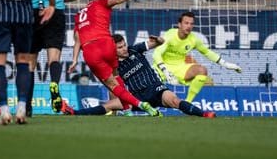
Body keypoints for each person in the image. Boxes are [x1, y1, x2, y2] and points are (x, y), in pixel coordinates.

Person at [62, 34, 216, 118]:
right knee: (109, 105)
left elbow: (156, 43)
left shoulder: (135, 50)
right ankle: (74, 112)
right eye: (120, 47)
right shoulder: (113, 65)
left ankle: (204, 114)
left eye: (124, 45)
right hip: (136, 97)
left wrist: (159, 40)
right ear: (113, 50)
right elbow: (113, 86)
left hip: (156, 89)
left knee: (175, 100)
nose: (124, 49)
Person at [67, 0, 161, 117]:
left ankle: (139, 105)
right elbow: (118, 0)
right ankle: (127, 110)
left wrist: (75, 59)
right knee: (116, 77)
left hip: (91, 49)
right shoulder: (102, 3)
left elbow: (77, 40)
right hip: (108, 44)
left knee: (112, 85)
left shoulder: (79, 15)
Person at [27, 0, 81, 115]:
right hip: (55, 11)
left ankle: (26, 105)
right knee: (54, 58)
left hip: (33, 12)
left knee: (29, 62)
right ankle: (54, 84)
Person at [153, 11, 242, 103]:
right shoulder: (170, 35)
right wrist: (165, 71)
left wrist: (226, 64)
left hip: (180, 68)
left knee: (202, 70)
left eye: (191, 24)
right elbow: (156, 53)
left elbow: (207, 52)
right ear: (179, 24)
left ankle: (188, 103)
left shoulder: (193, 39)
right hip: (161, 67)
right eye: (186, 23)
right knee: (151, 92)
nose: (189, 26)